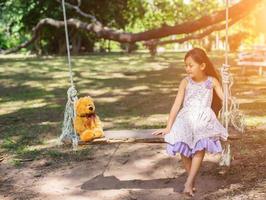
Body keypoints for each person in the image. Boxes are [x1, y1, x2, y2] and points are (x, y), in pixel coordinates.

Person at [153, 47, 228, 196]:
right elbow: (176, 104)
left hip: (203, 117)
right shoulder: (185, 82)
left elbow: (226, 100)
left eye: (190, 65)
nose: (187, 69)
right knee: (181, 142)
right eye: (186, 65)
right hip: (186, 117)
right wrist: (169, 127)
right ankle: (191, 181)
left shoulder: (211, 82)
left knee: (200, 143)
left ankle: (188, 182)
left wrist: (226, 82)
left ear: (202, 66)